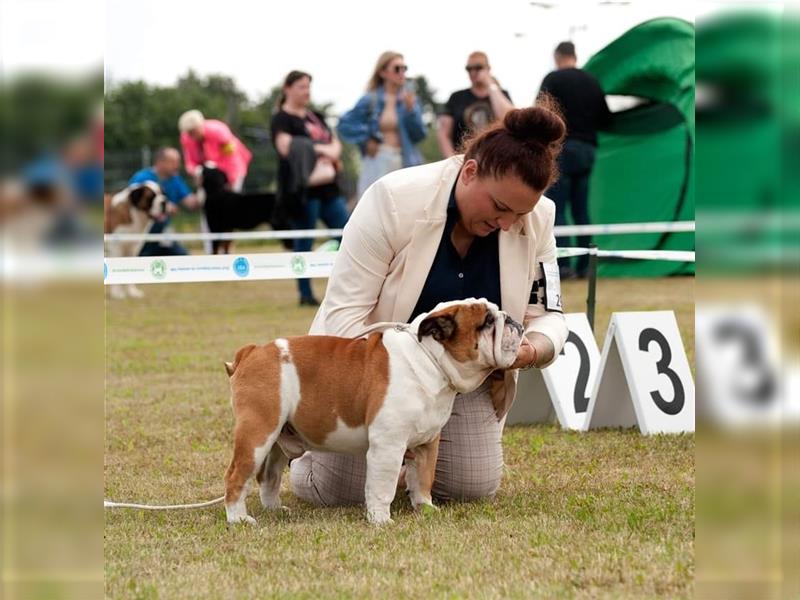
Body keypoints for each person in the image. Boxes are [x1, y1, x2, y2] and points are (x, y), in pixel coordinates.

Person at [289, 104, 569, 506]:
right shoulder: (391, 200)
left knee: (470, 487)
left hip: (461, 380)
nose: (508, 224)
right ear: (469, 172)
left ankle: (404, 462)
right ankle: (304, 444)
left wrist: (530, 351)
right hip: (371, 374)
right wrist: (387, 403)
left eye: (519, 213)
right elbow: (343, 316)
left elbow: (549, 315)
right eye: (500, 208)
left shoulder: (539, 217)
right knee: (336, 493)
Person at [271, 71, 350, 307]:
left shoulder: (316, 116)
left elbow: (336, 146)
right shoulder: (281, 119)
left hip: (328, 189)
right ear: (287, 89)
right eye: (301, 87)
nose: (306, 91)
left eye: (308, 87)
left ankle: (349, 291)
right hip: (303, 191)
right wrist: (322, 149)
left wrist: (315, 148)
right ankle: (305, 293)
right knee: (304, 243)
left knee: (349, 235)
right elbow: (286, 149)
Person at [538, 41, 611, 279]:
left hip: (562, 149)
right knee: (581, 211)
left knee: (556, 208)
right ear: (575, 56)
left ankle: (564, 264)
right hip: (588, 150)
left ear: (558, 57)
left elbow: (540, 114)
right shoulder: (592, 81)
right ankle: (585, 265)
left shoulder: (554, 80)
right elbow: (605, 118)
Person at [337, 51, 427, 197]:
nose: (402, 72)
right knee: (373, 209)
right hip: (377, 161)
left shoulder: (409, 100)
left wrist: (411, 111)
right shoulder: (370, 99)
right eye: (397, 68)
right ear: (383, 72)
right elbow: (345, 124)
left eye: (405, 68)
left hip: (405, 161)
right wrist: (367, 138)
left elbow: (419, 135)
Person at [178, 109, 252, 254]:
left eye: (193, 131)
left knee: (229, 211)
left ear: (201, 125)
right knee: (208, 211)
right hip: (207, 179)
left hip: (229, 174)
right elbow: (190, 161)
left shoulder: (220, 132)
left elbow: (232, 159)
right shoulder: (186, 138)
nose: (191, 135)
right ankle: (211, 250)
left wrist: (230, 184)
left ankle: (227, 248)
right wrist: (196, 173)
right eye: (188, 132)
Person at [437, 51, 515, 158]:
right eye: (469, 69)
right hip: (463, 159)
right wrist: (451, 160)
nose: (473, 72)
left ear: (488, 68)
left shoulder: (501, 94)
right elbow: (444, 134)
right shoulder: (456, 97)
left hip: (494, 160)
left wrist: (490, 85)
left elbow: (509, 119)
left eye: (478, 68)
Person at [128, 147, 200, 256]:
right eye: (173, 162)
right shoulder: (142, 178)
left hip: (163, 232)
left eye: (178, 162)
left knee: (183, 257)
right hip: (141, 234)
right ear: (160, 162)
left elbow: (191, 203)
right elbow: (131, 205)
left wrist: (203, 188)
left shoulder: (176, 179)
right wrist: (163, 208)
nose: (177, 165)